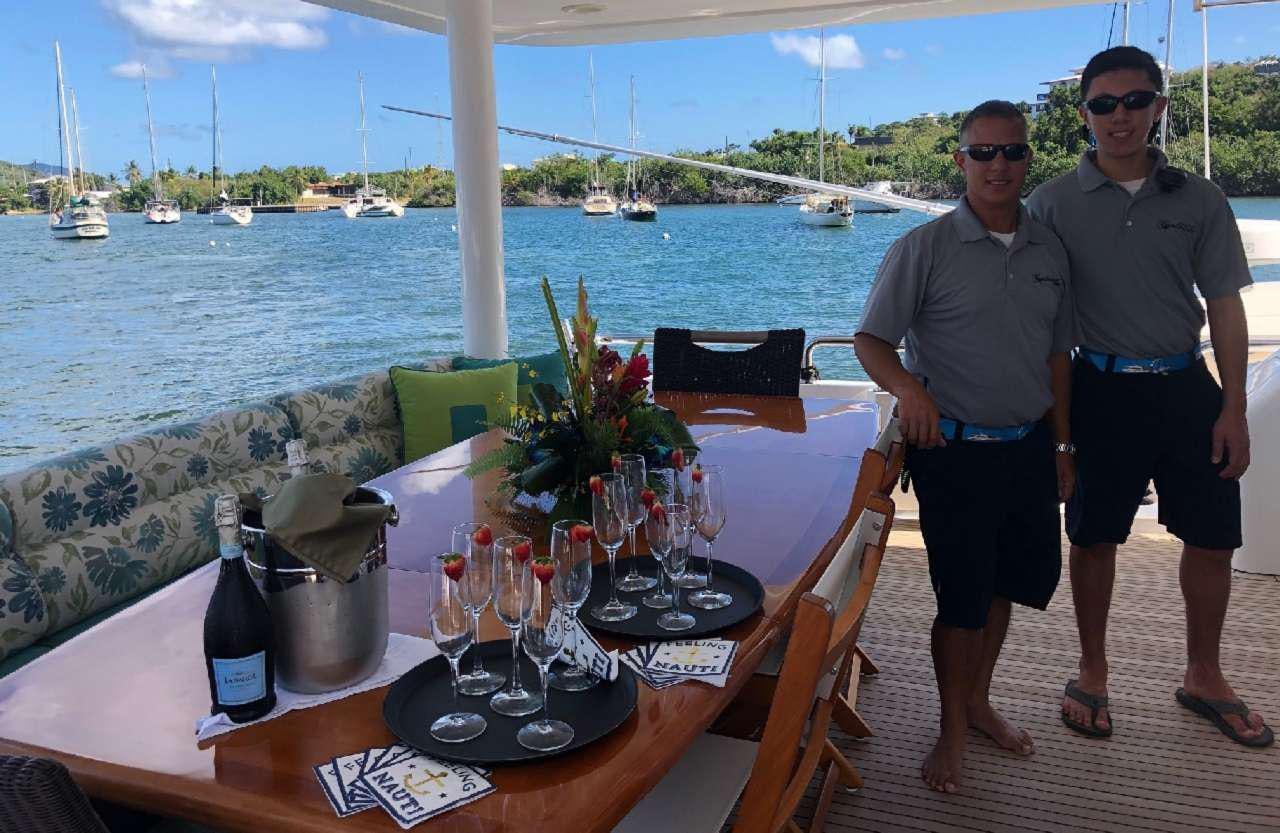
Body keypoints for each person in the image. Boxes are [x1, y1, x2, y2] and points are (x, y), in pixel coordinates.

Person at [1027, 46, 1272, 748]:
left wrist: (1233, 406)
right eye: (1104, 105)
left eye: (1135, 101)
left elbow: (1224, 304)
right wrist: (1059, 434)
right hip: (1099, 387)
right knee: (1094, 534)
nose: (1120, 117)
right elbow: (1038, 319)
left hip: (1186, 386)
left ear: (1159, 107)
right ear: (1084, 116)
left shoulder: (1199, 198)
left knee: (1214, 536)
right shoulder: (1052, 203)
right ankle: (1093, 670)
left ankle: (1204, 672)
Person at [855, 100, 1077, 793]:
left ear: (1028, 159)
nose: (998, 165)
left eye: (1011, 152)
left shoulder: (1049, 250)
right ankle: (950, 727)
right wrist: (909, 392)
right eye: (983, 153)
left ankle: (979, 701)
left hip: (1029, 447)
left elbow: (1057, 355)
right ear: (960, 162)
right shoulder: (922, 248)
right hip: (955, 454)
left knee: (1005, 587)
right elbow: (870, 341)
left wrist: (1065, 444)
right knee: (960, 603)